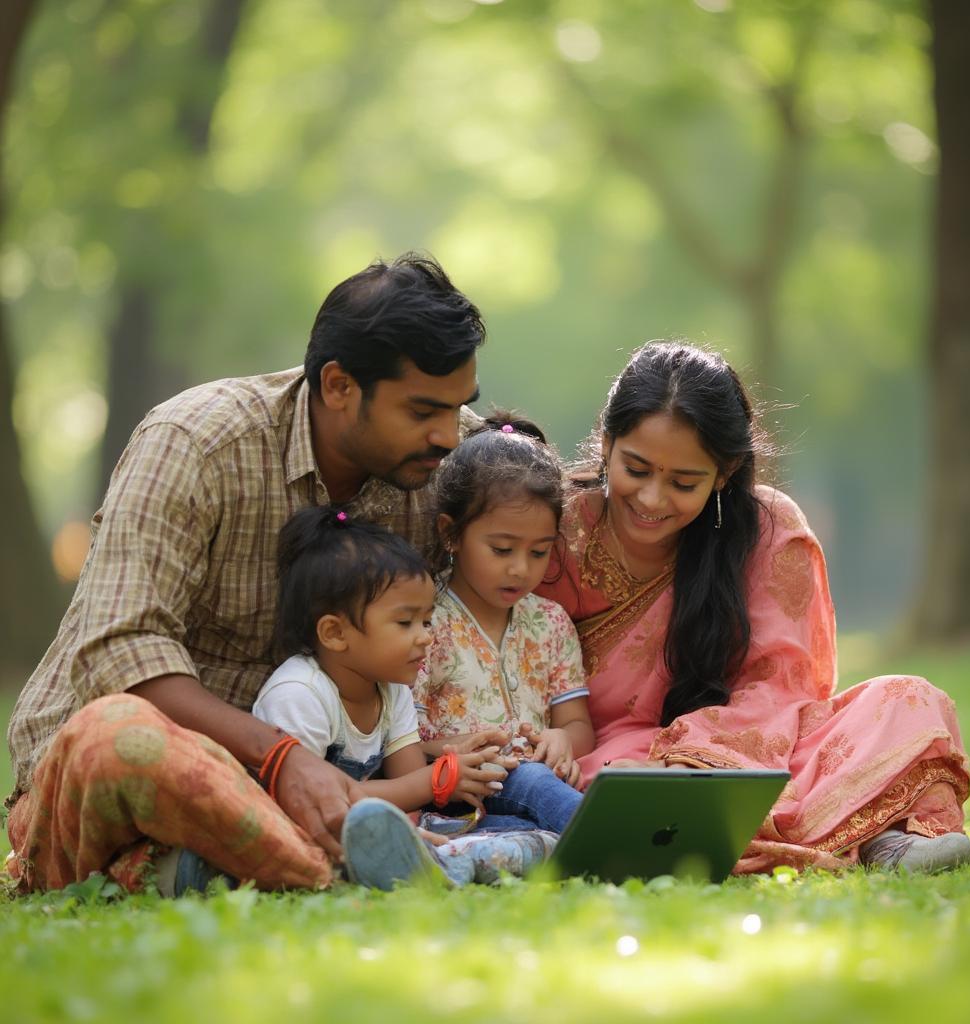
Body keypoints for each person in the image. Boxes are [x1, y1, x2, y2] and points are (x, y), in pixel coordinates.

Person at [4, 253, 489, 895]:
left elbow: (557, 519)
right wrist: (280, 759)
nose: (450, 436)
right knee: (118, 737)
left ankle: (211, 869)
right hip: (147, 771)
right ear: (339, 386)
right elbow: (120, 647)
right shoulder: (196, 442)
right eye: (425, 411)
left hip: (325, 781)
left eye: (459, 409)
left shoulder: (445, 467)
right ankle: (354, 867)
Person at [537, 341, 970, 875]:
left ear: (724, 473)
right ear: (606, 444)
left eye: (683, 482)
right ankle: (859, 835)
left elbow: (781, 686)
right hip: (596, 754)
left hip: (753, 750)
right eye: (636, 468)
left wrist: (699, 756)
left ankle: (884, 838)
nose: (652, 499)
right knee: (621, 780)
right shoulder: (552, 530)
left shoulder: (769, 529)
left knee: (906, 699)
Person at [250, 506, 557, 888]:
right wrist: (432, 781)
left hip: (396, 828)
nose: (426, 636)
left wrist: (454, 772)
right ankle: (444, 863)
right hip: (307, 834)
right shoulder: (299, 695)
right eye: (405, 622)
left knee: (532, 832)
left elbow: (410, 786)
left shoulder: (390, 688)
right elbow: (311, 803)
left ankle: (445, 862)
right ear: (334, 633)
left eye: (426, 621)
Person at [414, 414, 593, 833]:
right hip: (457, 788)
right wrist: (450, 751)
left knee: (532, 827)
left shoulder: (550, 622)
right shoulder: (426, 620)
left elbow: (578, 724)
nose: (520, 569)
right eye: (501, 549)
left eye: (538, 552)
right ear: (451, 534)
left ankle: (468, 856)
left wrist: (563, 740)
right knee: (530, 782)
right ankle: (607, 841)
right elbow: (398, 738)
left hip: (535, 785)